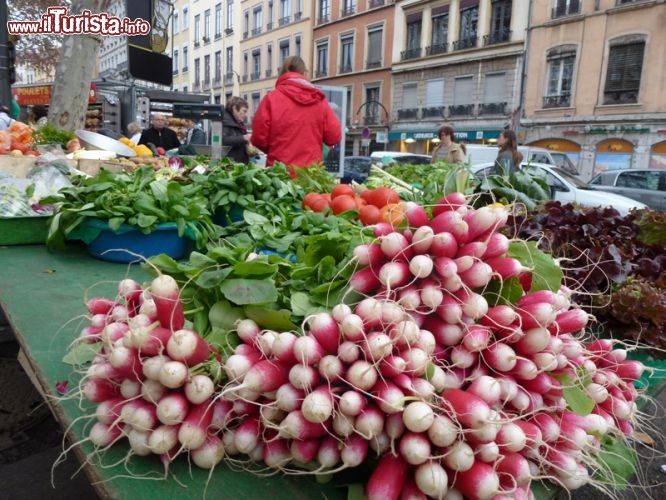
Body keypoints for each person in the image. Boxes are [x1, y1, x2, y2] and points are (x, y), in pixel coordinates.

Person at [251, 55, 341, 171]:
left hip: (279, 175)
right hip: (310, 176)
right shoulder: (319, 101)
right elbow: (334, 137)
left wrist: (277, 149)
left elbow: (258, 139)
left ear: (282, 72)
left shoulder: (271, 99)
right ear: (304, 73)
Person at [221, 96, 251, 163]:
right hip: (229, 165)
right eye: (244, 111)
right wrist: (244, 138)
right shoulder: (223, 121)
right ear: (234, 108)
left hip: (237, 163)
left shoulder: (238, 123)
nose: (245, 114)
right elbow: (222, 141)